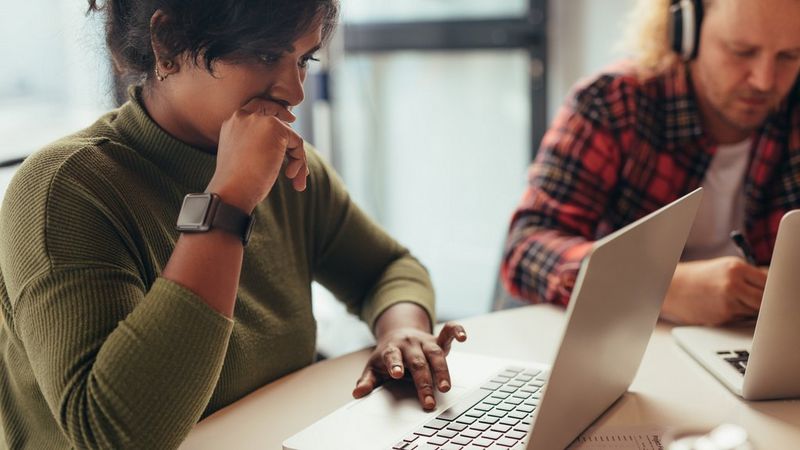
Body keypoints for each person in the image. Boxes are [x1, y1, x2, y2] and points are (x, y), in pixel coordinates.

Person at [0, 1, 467, 448]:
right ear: (166, 44)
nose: (295, 90)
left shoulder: (286, 171)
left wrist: (401, 329)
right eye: (266, 54)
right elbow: (116, 435)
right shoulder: (66, 189)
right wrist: (229, 201)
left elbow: (386, 268)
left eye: (304, 58)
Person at [502, 0, 800, 326]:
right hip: (624, 341)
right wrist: (660, 287)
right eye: (741, 51)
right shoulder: (612, 103)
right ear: (684, 32)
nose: (764, 81)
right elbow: (525, 248)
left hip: (751, 348)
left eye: (789, 56)